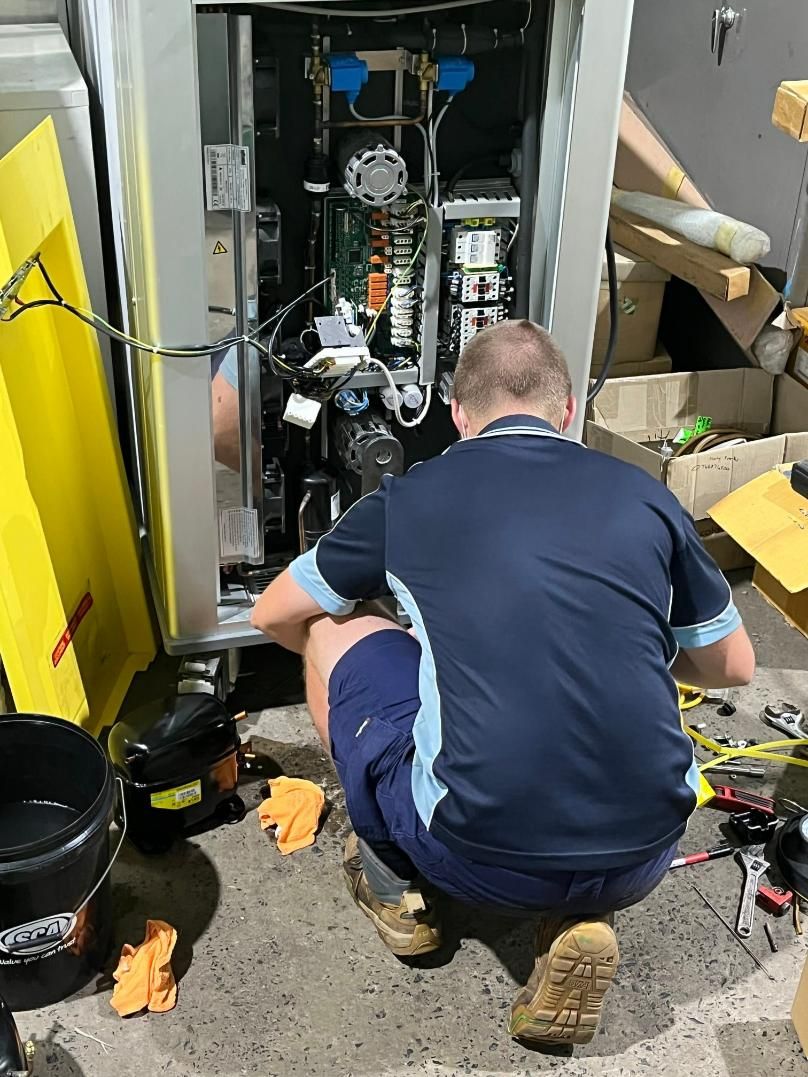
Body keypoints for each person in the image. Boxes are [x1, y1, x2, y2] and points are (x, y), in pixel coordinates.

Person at [250, 320, 755, 1046]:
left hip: (476, 859)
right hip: (649, 850)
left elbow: (276, 613)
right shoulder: (644, 495)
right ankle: (580, 911)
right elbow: (733, 664)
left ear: (457, 413)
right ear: (570, 408)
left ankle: (398, 888)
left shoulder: (410, 500)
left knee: (333, 631)